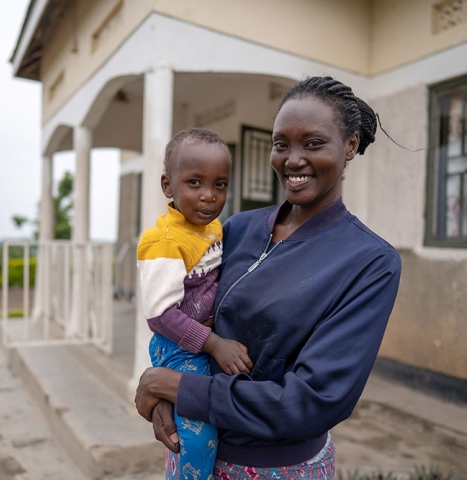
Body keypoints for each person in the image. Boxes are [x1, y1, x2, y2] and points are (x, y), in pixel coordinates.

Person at [135, 76, 402, 479]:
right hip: (193, 449)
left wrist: (175, 388)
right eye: (281, 145)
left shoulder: (369, 261)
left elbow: (310, 402)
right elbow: (184, 309)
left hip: (276, 468)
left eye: (313, 144)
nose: (293, 160)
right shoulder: (237, 228)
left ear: (349, 145)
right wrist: (164, 392)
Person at [137, 128, 254, 480]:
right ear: (167, 186)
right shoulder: (164, 242)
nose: (209, 196)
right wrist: (214, 343)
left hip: (196, 344)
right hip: (177, 348)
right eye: (194, 183)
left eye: (220, 185)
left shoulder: (212, 229)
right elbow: (159, 315)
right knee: (198, 437)